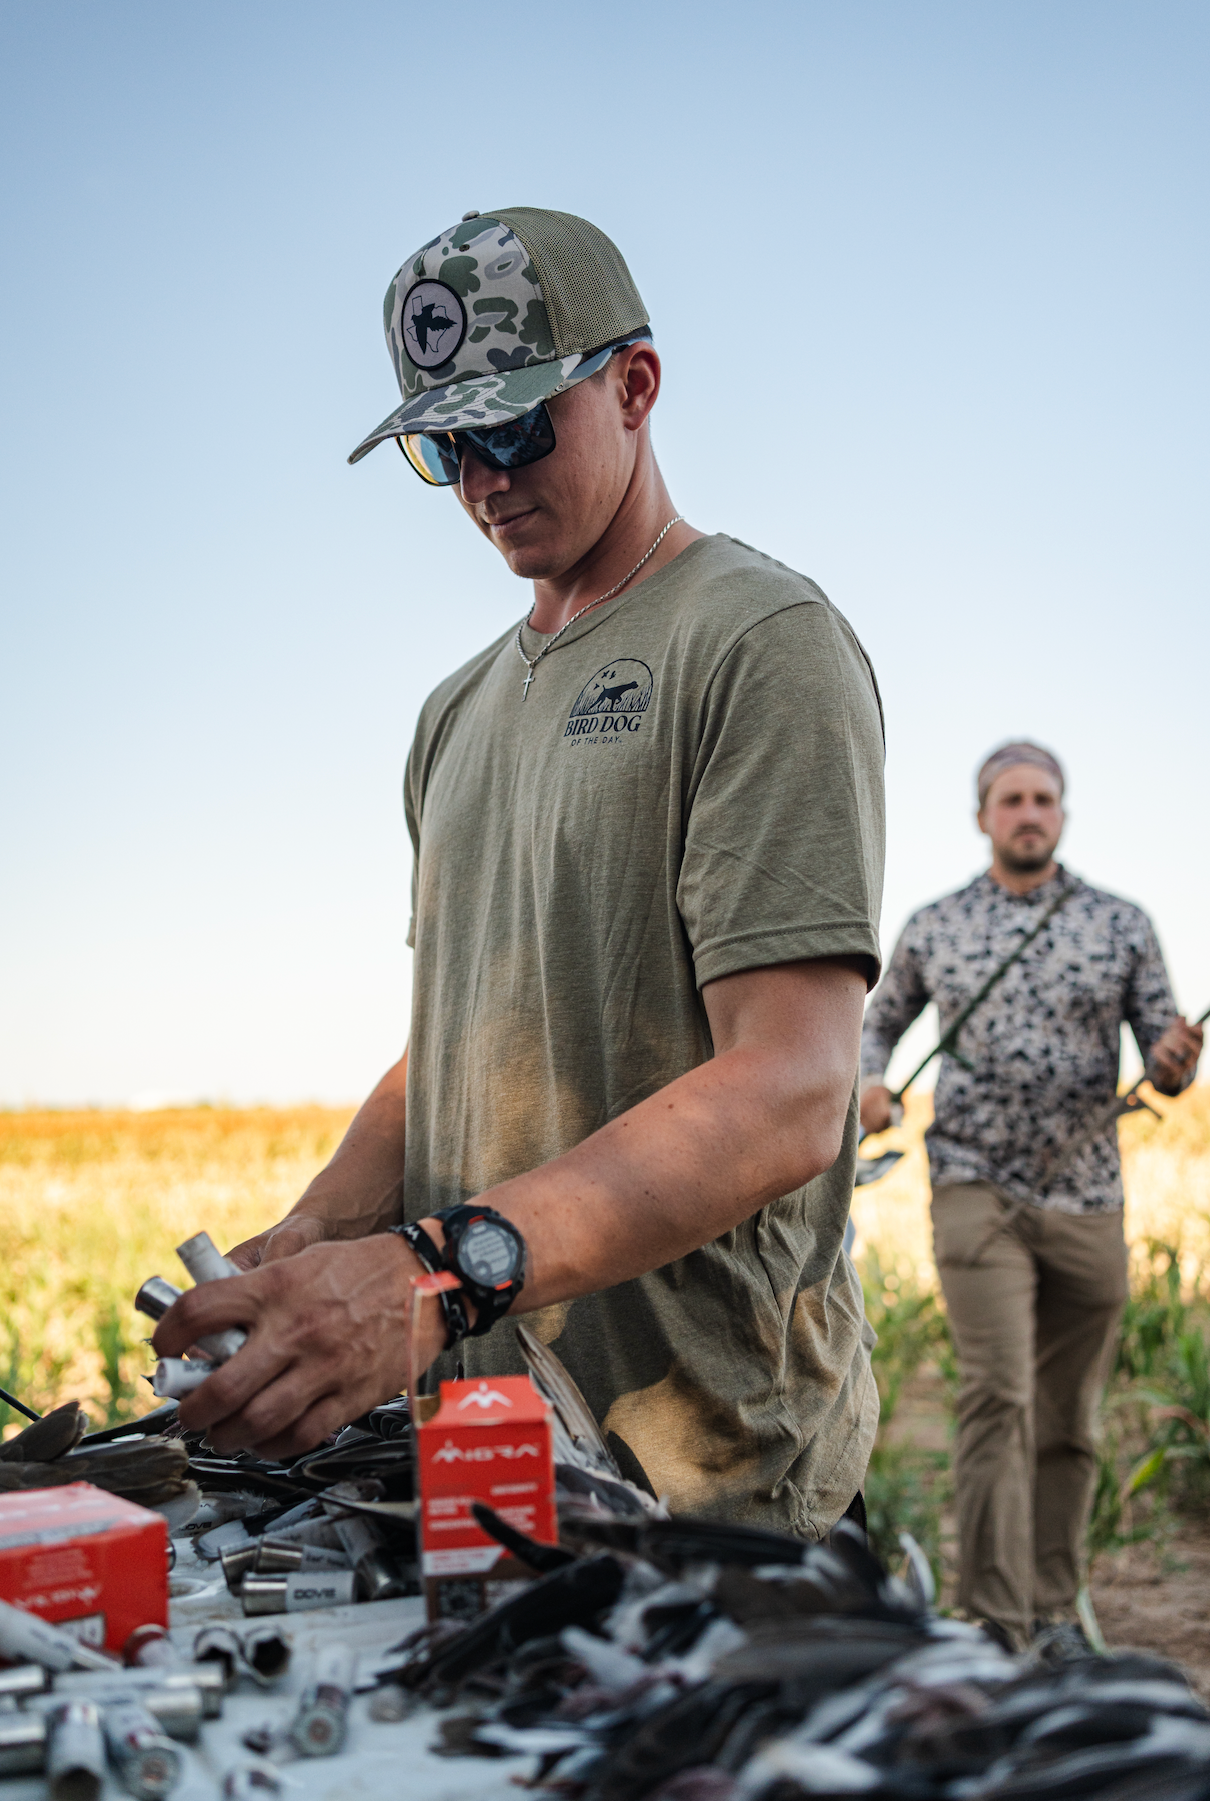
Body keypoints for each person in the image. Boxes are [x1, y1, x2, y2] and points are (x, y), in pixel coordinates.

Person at [156, 206, 887, 1537]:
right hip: (490, 1448)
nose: (483, 477)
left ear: (635, 384)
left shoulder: (757, 641)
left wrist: (433, 1273)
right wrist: (320, 1230)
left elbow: (790, 1085)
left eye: (512, 426)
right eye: (444, 446)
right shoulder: (453, 713)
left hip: (706, 1465)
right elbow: (457, 1032)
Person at [861, 740, 1203, 1646]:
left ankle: (1055, 1607)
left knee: (1068, 1420)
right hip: (975, 1185)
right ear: (982, 817)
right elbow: (875, 1027)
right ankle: (997, 1624)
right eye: (1009, 799)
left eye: (1043, 798)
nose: (1028, 812)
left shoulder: (1122, 923)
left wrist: (1173, 1063)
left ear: (1062, 813)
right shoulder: (936, 925)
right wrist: (869, 1086)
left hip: (1091, 1195)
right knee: (995, 1398)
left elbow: (1165, 1062)